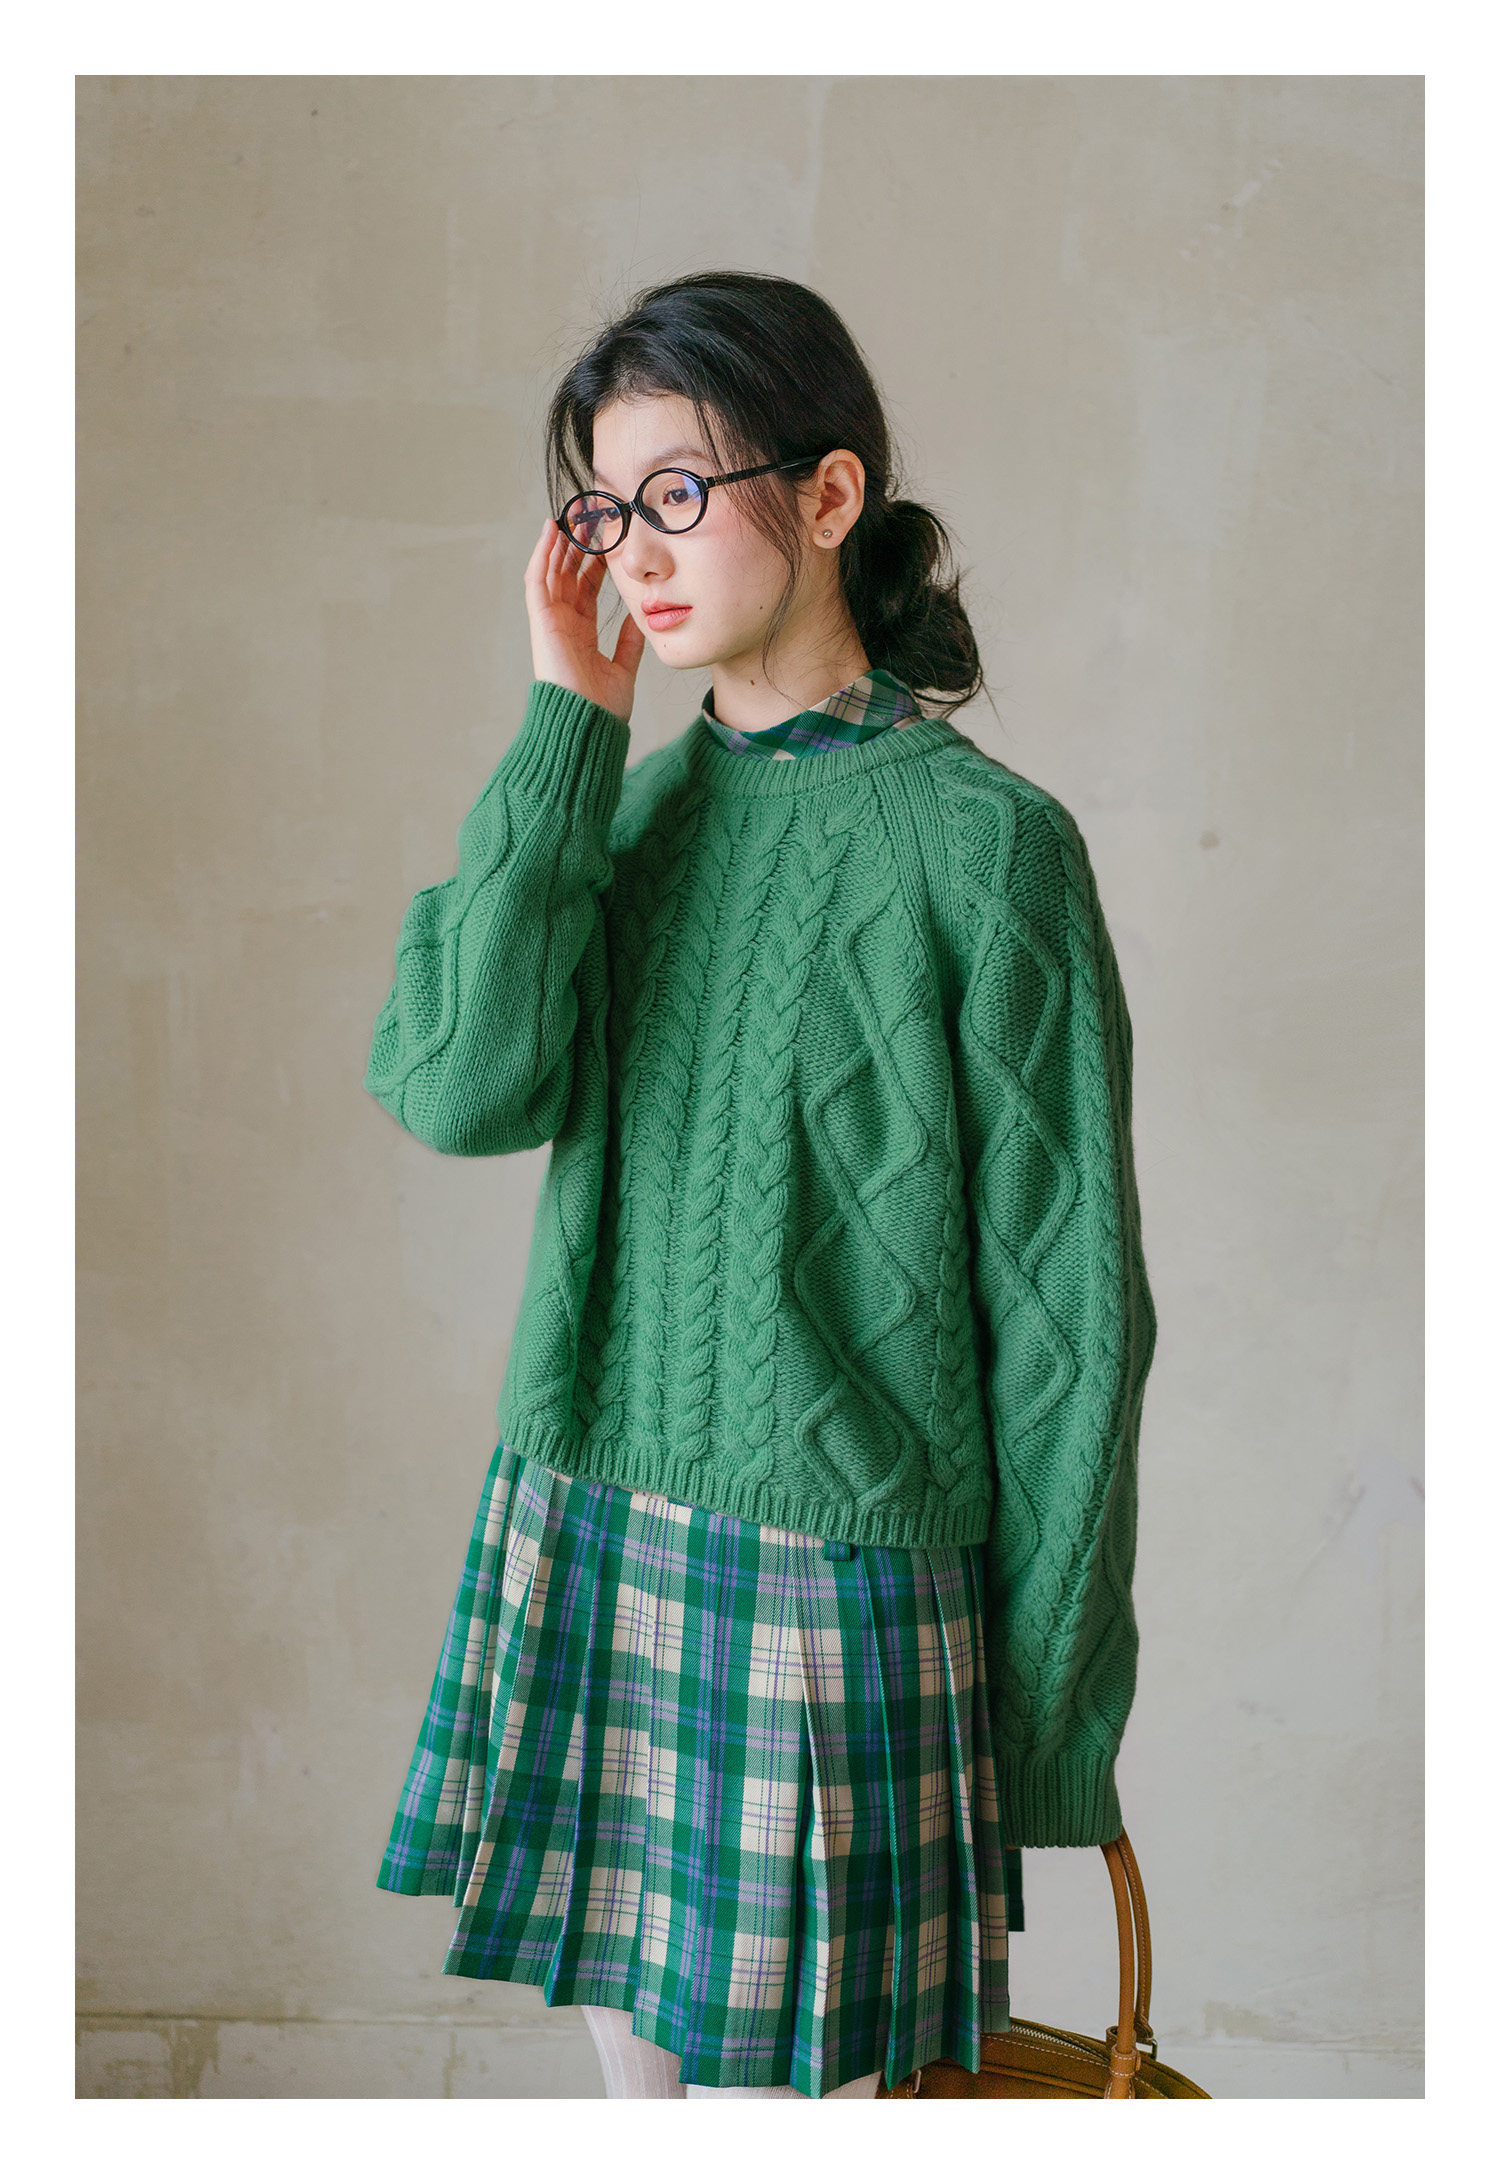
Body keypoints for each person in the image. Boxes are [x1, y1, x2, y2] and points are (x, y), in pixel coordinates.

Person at [363, 271, 1155, 2100]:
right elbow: (457, 1087)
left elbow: (1072, 1325)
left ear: (829, 493)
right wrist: (567, 725)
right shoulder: (623, 819)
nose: (634, 551)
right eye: (603, 507)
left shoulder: (992, 850)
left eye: (677, 491)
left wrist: (1048, 1719)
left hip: (838, 1585)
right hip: (591, 1519)